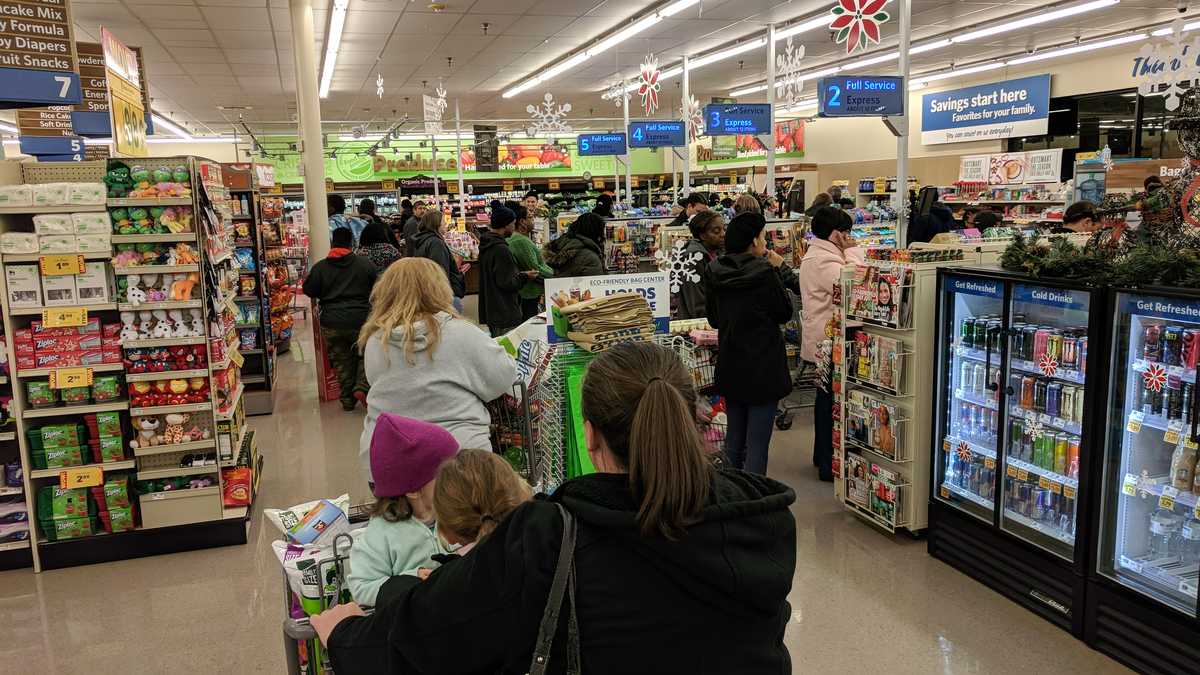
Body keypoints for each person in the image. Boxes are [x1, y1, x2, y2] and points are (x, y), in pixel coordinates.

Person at [316, 341, 797, 675]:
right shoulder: (762, 518)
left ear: (588, 436)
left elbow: (435, 636)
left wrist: (347, 635)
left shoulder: (550, 536)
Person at [357, 258, 517, 478]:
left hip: (387, 462)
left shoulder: (376, 340)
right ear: (439, 288)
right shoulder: (461, 333)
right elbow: (502, 379)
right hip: (458, 463)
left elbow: (378, 380)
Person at [706, 212, 797, 474]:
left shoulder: (714, 271)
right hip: (763, 366)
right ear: (754, 240)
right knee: (757, 444)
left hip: (731, 362)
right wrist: (779, 269)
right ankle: (756, 503)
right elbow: (784, 312)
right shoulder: (765, 273)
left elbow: (713, 319)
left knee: (734, 441)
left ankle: (732, 496)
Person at [347, 413, 458, 607]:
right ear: (414, 490)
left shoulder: (456, 511)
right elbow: (361, 587)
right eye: (446, 475)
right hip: (410, 622)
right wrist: (409, 580)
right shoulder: (381, 534)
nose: (456, 480)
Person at [799, 207, 865, 481]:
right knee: (829, 403)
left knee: (825, 399)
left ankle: (822, 456)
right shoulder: (825, 261)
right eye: (847, 232)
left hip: (824, 339)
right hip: (828, 342)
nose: (850, 237)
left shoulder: (819, 255)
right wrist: (854, 250)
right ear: (836, 234)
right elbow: (852, 283)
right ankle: (828, 463)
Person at [303, 227, 378, 411]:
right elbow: (377, 290)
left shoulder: (320, 268)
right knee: (364, 355)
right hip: (361, 320)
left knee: (341, 360)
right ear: (352, 242)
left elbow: (309, 290)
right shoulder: (365, 264)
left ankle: (347, 399)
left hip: (332, 321)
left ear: (332, 243)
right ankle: (361, 386)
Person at [478, 201, 530, 336]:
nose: (514, 227)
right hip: (505, 312)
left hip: (492, 310)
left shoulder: (486, 245)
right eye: (513, 224)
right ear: (506, 225)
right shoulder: (501, 249)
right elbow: (507, 282)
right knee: (510, 351)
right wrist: (525, 276)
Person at [672, 211, 725, 320]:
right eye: (716, 231)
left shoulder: (717, 253)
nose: (723, 234)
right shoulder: (694, 258)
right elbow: (696, 304)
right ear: (702, 235)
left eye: (723, 229)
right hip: (698, 326)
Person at [410, 209, 466, 313]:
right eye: (443, 221)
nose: (445, 224)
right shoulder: (436, 243)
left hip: (428, 292)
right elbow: (440, 272)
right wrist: (456, 266)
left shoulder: (422, 240)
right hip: (443, 296)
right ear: (436, 224)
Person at [506, 201, 553, 321]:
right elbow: (536, 268)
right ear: (522, 222)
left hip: (527, 293)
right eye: (530, 218)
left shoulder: (518, 239)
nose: (533, 220)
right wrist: (554, 273)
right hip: (529, 294)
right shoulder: (520, 241)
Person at [543, 211, 605, 277]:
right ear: (596, 232)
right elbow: (595, 284)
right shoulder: (590, 258)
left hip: (557, 286)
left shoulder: (560, 244)